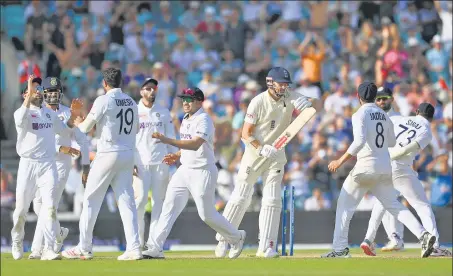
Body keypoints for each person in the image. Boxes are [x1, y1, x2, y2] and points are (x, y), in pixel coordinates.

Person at [322, 82, 436, 258]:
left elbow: (359, 141)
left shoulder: (359, 114)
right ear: (374, 97)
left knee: (345, 206)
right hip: (385, 168)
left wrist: (340, 160)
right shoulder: (384, 115)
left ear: (359, 97)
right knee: (393, 205)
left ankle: (340, 249)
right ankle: (423, 235)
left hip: (365, 168)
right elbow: (390, 142)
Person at [215, 67, 313, 258]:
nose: (284, 87)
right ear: (270, 83)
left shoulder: (290, 96)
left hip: (277, 155)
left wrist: (309, 102)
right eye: (281, 83)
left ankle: (267, 246)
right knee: (241, 196)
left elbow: (312, 106)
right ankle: (224, 239)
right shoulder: (257, 102)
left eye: (286, 84)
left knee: (272, 200)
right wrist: (261, 148)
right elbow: (245, 133)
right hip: (255, 154)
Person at [142, 87, 246, 259]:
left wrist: (166, 140)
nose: (185, 103)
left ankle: (236, 237)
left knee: (206, 214)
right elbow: (188, 145)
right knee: (169, 206)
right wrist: (176, 155)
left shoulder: (204, 119)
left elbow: (196, 144)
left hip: (203, 170)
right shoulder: (186, 118)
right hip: (184, 170)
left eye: (189, 100)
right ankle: (155, 247)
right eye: (183, 99)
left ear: (199, 101)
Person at [62, 68, 142, 261]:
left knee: (90, 199)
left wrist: (79, 121)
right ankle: (134, 248)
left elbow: (86, 128)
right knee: (126, 201)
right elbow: (136, 128)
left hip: (108, 153)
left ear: (105, 84)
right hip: (127, 154)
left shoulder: (103, 100)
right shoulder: (131, 101)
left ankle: (84, 247)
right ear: (120, 82)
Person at [360, 89, 452, 257]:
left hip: (383, 165)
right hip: (400, 168)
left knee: (382, 203)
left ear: (417, 112)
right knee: (422, 206)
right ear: (431, 119)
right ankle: (434, 245)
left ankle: (368, 239)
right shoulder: (427, 132)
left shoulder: (402, 119)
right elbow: (410, 148)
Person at [12, 75, 80, 260]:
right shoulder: (22, 113)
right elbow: (20, 120)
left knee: (49, 207)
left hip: (47, 165)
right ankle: (17, 240)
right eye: (33, 89)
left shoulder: (49, 114)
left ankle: (49, 249)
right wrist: (29, 89)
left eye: (39, 89)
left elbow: (64, 130)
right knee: (21, 210)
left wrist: (73, 117)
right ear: (25, 94)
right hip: (28, 165)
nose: (38, 92)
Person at [28, 77, 91, 259]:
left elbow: (82, 140)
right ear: (44, 94)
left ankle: (39, 249)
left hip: (61, 165)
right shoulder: (38, 113)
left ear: (60, 93)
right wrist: (58, 147)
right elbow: (36, 142)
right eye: (50, 92)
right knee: (38, 206)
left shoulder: (67, 113)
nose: (53, 95)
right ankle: (59, 232)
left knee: (49, 205)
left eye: (56, 92)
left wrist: (85, 166)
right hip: (42, 163)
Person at [133, 78, 176, 249]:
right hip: (141, 163)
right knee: (140, 201)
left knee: (159, 202)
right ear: (141, 91)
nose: (151, 92)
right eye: (148, 89)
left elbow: (171, 136)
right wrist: (131, 161)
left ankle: (153, 244)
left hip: (161, 161)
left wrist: (172, 156)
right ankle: (136, 243)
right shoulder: (134, 111)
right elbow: (130, 139)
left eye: (154, 89)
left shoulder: (164, 111)